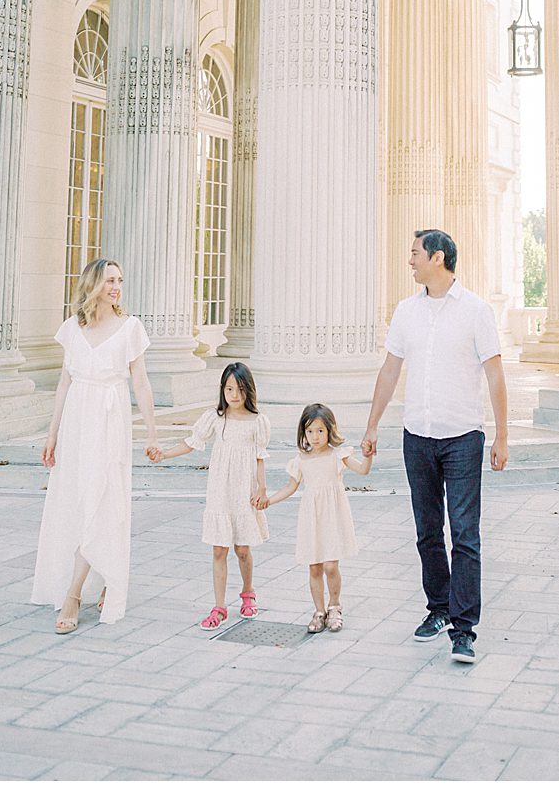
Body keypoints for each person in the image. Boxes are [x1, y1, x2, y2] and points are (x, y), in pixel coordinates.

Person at [362, 229, 508, 664]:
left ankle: (464, 630)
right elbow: (389, 372)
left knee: (465, 535)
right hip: (417, 438)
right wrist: (371, 427)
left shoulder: (476, 311)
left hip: (463, 437)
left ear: (438, 258)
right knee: (427, 533)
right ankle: (439, 610)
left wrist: (503, 435)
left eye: (414, 254)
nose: (409, 261)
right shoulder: (405, 312)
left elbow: (496, 374)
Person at [30, 258, 160, 633]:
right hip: (75, 423)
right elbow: (63, 384)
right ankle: (100, 576)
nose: (116, 287)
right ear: (93, 285)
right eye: (109, 281)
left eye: (120, 280)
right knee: (77, 500)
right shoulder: (72, 329)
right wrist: (52, 434)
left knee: (102, 499)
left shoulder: (130, 328)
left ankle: (73, 594)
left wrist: (152, 433)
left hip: (109, 420)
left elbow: (142, 385)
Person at [150, 361, 270, 630]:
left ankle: (248, 593)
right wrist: (164, 454)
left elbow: (260, 457)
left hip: (244, 490)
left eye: (239, 389)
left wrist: (261, 489)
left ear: (248, 390)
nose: (234, 395)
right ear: (222, 390)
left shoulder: (257, 422)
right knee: (219, 549)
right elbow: (192, 443)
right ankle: (219, 606)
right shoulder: (215, 418)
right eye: (229, 389)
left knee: (242, 549)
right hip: (220, 489)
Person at [255, 402, 372, 634]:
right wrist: (269, 500)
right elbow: (290, 487)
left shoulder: (339, 454)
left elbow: (363, 470)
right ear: (303, 433)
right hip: (311, 517)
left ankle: (335, 606)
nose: (315, 436)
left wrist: (368, 455)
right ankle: (319, 611)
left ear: (329, 429)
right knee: (315, 567)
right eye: (310, 431)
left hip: (333, 515)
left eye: (320, 430)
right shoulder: (301, 460)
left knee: (330, 565)